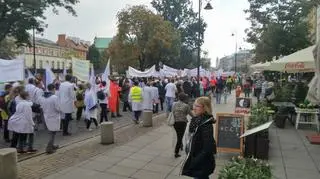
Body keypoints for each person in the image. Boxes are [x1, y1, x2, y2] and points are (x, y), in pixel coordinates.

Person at [182, 96, 216, 179]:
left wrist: (194, 161)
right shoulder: (197, 120)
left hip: (201, 163)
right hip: (197, 159)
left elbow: (207, 148)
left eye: (197, 106)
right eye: (194, 105)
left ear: (205, 108)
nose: (194, 108)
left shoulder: (205, 124)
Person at [40, 84, 60, 154]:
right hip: (54, 117)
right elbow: (57, 108)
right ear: (54, 89)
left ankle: (52, 145)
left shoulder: (42, 97)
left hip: (47, 116)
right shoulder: (54, 97)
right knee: (52, 133)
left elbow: (41, 108)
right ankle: (49, 148)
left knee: (51, 132)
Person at [172, 93, 192, 158]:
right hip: (182, 122)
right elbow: (191, 114)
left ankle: (181, 145)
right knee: (180, 137)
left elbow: (173, 111)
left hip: (175, 122)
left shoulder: (174, 104)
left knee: (178, 135)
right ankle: (176, 152)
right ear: (184, 99)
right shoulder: (186, 106)